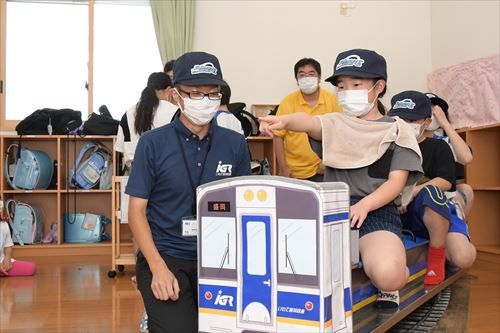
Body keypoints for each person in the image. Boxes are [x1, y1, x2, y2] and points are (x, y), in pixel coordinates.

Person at [260, 49, 423, 308]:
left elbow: (396, 183)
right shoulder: (335, 123)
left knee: (388, 274)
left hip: (376, 213)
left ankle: (396, 272)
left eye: (356, 85)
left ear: (379, 87)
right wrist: (283, 120)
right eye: (342, 87)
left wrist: (365, 205)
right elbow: (307, 122)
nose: (347, 92)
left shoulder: (397, 129)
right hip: (331, 211)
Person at [126, 51, 251, 333]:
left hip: (220, 258)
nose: (204, 101)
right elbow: (136, 212)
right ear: (175, 95)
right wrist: (157, 267)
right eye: (195, 93)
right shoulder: (152, 144)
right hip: (166, 255)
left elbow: (246, 208)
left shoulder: (234, 143)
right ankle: (154, 313)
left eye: (212, 93)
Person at [388, 91, 476, 285]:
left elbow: (445, 180)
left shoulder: (438, 146)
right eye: (400, 119)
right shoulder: (389, 147)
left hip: (435, 207)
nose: (405, 123)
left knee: (463, 258)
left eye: (412, 120)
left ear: (426, 122)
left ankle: (440, 254)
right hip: (399, 211)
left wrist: (410, 193)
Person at [273, 58, 342, 182]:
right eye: (302, 75)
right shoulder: (287, 102)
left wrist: (327, 162)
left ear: (319, 77)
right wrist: (283, 168)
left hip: (325, 169)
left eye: (311, 74)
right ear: (297, 79)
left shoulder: (333, 100)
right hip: (294, 171)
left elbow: (341, 134)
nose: (307, 78)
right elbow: (278, 136)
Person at [115, 72, 178, 174]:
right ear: (168, 90)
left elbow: (120, 148)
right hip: (165, 173)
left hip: (135, 174)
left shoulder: (128, 113)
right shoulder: (174, 111)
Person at [425, 93, 474, 217]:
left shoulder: (444, 141)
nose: (433, 114)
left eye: (436, 110)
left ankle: (459, 231)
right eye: (428, 109)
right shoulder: (411, 139)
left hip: (446, 190)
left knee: (466, 190)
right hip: (423, 188)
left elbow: (466, 158)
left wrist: (446, 124)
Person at [0, 208, 36, 277]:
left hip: (2, 261)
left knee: (31, 268)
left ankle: (3, 270)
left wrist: (7, 259)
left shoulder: (4, 225)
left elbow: (8, 245)